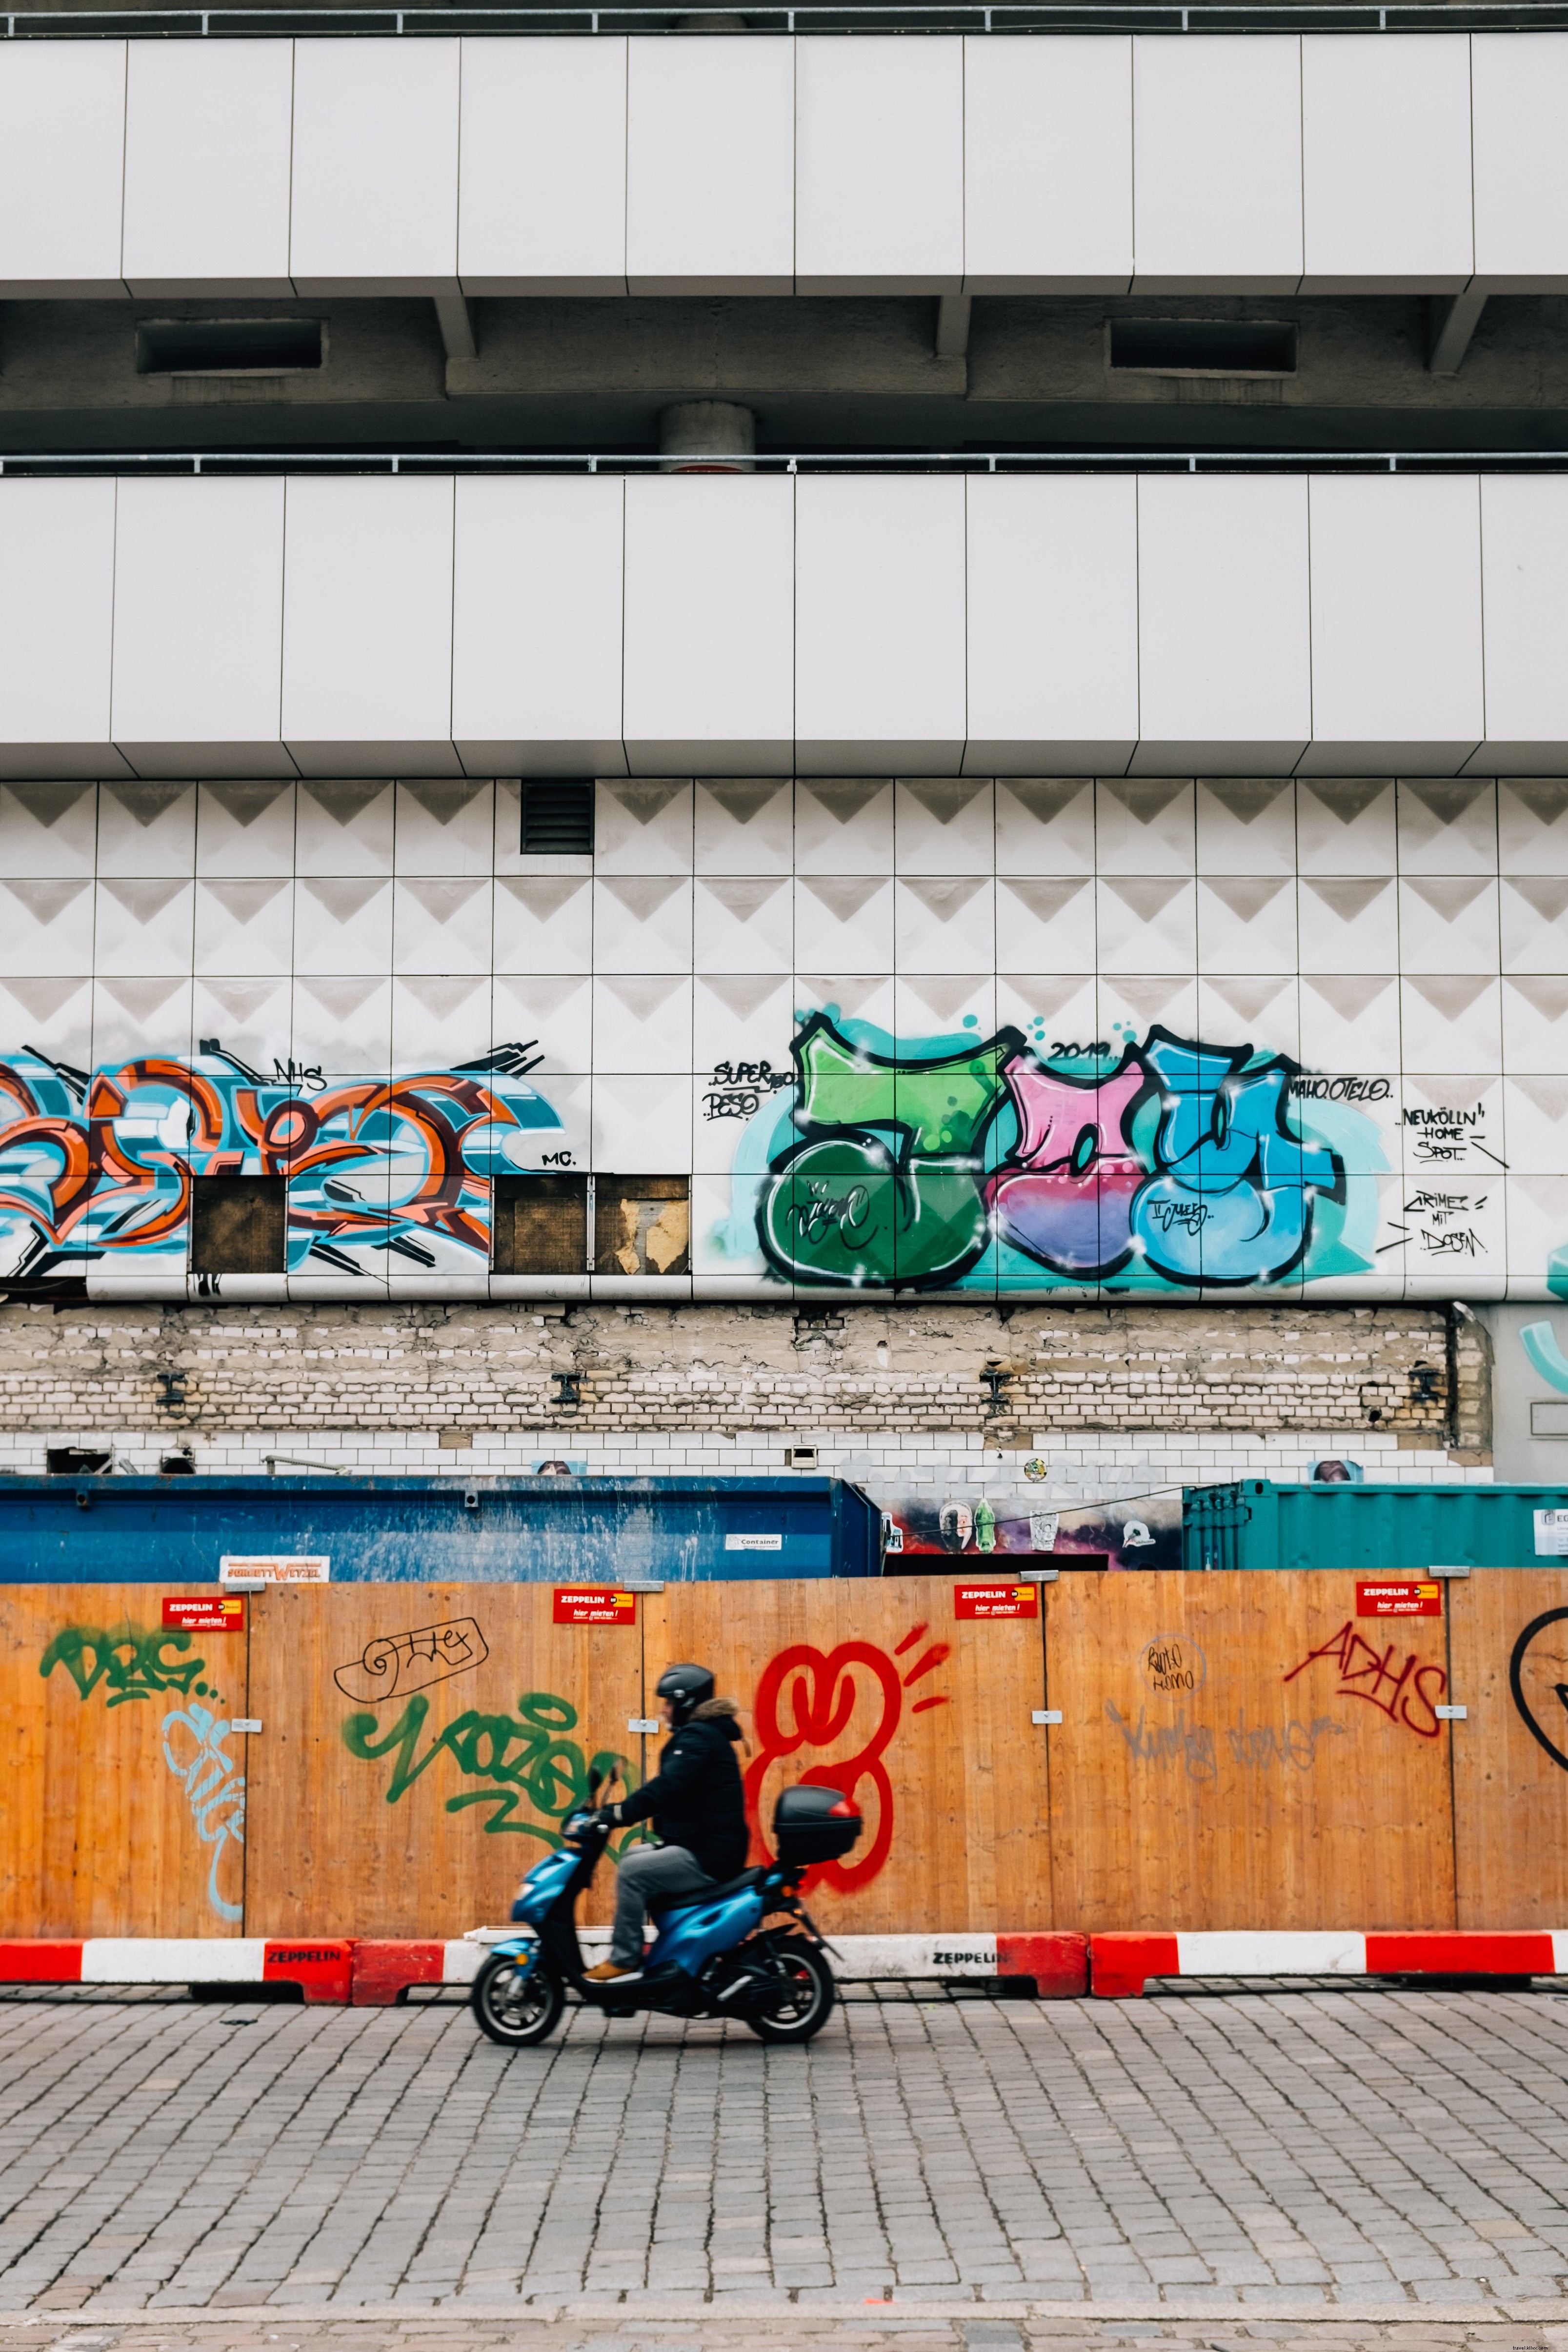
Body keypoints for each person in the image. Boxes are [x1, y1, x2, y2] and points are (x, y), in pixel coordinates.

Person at [584, 1663, 749, 1982]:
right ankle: (667, 1951)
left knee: (632, 1872)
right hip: (704, 1844)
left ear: (686, 1702)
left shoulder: (699, 1737)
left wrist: (617, 1814)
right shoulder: (704, 1735)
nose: (664, 1709)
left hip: (709, 1853)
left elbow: (666, 1787)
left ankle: (624, 1959)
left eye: (669, 1702)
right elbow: (674, 1789)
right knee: (634, 1856)